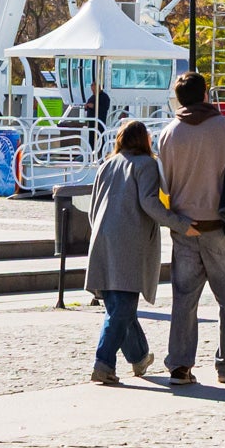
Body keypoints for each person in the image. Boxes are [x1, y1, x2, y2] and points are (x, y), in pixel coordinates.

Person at [156, 69, 225, 385]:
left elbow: (163, 182)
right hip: (221, 225)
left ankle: (180, 365)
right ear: (205, 94)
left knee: (184, 299)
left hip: (184, 226)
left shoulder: (168, 133)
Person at [83, 120, 165, 384]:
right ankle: (103, 362)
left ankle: (139, 357)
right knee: (123, 305)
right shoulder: (146, 165)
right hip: (129, 240)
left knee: (117, 304)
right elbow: (150, 203)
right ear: (144, 140)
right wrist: (181, 223)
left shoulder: (107, 164)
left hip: (102, 237)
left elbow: (93, 206)